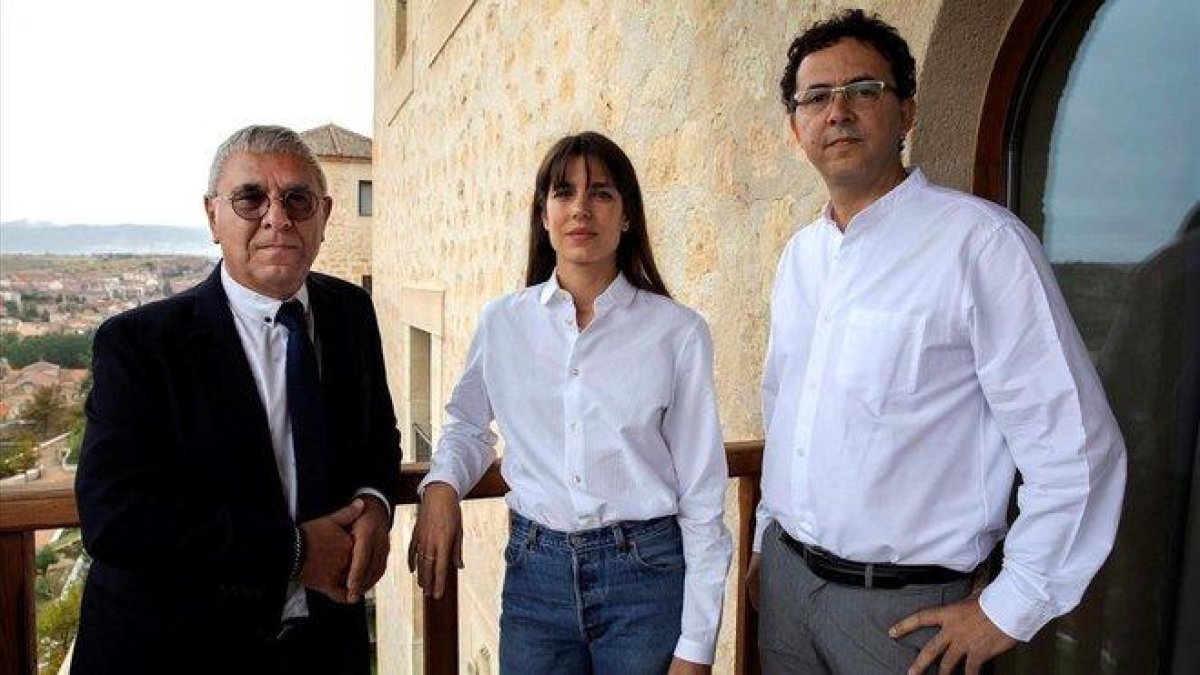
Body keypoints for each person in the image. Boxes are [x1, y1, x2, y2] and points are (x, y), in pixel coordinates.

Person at [747, 10, 1127, 675]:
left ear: (907, 111)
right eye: (817, 96)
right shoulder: (799, 259)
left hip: (904, 617)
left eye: (864, 89)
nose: (838, 110)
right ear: (795, 126)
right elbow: (783, 410)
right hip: (786, 588)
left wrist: (1010, 605)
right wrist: (762, 547)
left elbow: (1078, 449)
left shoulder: (980, 246)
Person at [73, 125, 402, 675]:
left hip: (322, 647)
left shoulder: (350, 312)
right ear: (212, 216)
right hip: (180, 650)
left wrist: (375, 501)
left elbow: (377, 437)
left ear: (323, 214)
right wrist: (294, 551)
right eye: (251, 198)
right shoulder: (139, 344)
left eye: (297, 199)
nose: (278, 217)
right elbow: (115, 517)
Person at [409, 131, 732, 674]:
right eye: (564, 192)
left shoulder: (677, 333)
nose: (581, 208)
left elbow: (702, 494)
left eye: (602, 193)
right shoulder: (503, 323)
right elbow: (468, 425)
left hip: (645, 580)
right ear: (544, 213)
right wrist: (441, 485)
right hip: (536, 578)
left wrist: (696, 647)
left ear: (627, 215)